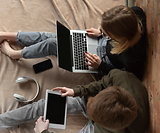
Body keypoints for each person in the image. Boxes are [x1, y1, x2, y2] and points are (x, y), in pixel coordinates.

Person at [0, 69, 149, 133]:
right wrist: (77, 91)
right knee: (45, 105)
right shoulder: (122, 77)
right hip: (103, 111)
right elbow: (101, 84)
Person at [0, 6, 147, 80]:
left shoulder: (132, 57)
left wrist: (100, 65)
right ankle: (7, 35)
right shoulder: (135, 14)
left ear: (120, 38)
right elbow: (132, 13)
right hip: (99, 42)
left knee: (52, 44)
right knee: (53, 36)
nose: (105, 32)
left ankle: (16, 54)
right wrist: (101, 33)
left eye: (109, 33)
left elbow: (127, 77)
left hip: (98, 61)